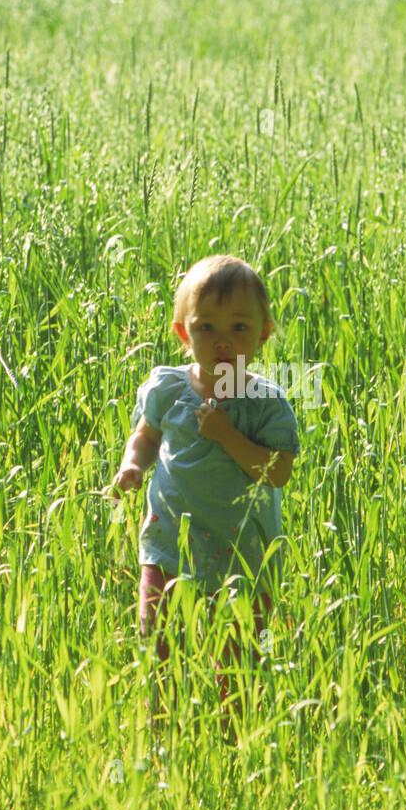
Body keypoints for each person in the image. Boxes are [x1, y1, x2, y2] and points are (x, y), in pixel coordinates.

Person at [111, 254, 300, 739]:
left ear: (262, 335)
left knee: (239, 662)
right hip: (170, 545)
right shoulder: (168, 388)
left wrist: (226, 435)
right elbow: (147, 435)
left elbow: (276, 472)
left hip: (243, 554)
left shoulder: (265, 402)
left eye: (239, 327)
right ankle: (164, 740)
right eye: (206, 326)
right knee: (159, 645)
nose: (222, 340)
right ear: (182, 334)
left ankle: (237, 743)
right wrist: (133, 463)